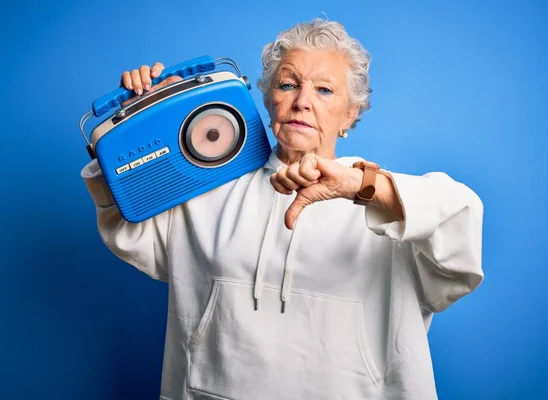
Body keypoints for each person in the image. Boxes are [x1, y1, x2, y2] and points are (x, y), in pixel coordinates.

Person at [81, 18, 484, 400]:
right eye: (288, 84)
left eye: (325, 90)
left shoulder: (387, 199)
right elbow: (131, 231)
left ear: (351, 115)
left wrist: (359, 185)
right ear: (268, 99)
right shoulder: (207, 186)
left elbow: (460, 220)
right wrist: (141, 118)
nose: (302, 102)